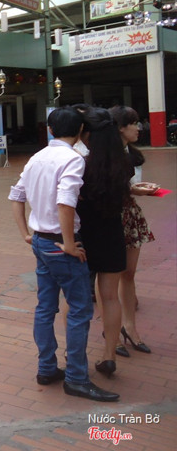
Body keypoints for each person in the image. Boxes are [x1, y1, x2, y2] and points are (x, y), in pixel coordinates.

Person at [9, 106, 118, 402]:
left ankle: (46, 368)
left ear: (50, 129)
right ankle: (77, 379)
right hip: (60, 244)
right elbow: (66, 202)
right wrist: (69, 243)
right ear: (81, 131)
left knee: (45, 308)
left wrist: (26, 233)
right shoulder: (73, 159)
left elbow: (16, 196)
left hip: (40, 242)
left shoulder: (37, 157)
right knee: (80, 310)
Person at [76, 108, 130, 379]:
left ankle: (74, 354)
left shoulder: (81, 165)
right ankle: (110, 355)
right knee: (110, 297)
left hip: (83, 239)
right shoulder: (123, 164)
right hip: (112, 235)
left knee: (76, 299)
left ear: (88, 135)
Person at [109, 105, 157, 357]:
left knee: (129, 274)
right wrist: (132, 189)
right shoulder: (102, 153)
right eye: (134, 123)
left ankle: (130, 327)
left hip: (129, 215)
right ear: (120, 127)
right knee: (108, 277)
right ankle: (111, 331)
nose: (138, 128)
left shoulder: (130, 153)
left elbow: (129, 185)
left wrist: (138, 188)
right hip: (109, 217)